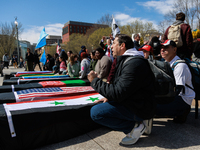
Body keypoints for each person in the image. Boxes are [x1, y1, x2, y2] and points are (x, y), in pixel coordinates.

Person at [88, 34, 155, 145]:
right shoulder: (127, 61)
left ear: (122, 46)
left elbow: (118, 93)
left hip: (140, 107)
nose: (111, 47)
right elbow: (120, 88)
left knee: (96, 113)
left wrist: (94, 81)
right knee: (101, 106)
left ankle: (135, 126)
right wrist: (108, 96)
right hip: (134, 102)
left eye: (114, 44)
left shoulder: (134, 63)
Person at [156, 40, 195, 123]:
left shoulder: (180, 66)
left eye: (166, 47)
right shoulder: (166, 63)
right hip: (173, 95)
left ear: (174, 50)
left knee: (152, 108)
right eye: (161, 47)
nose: (162, 50)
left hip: (182, 99)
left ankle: (182, 111)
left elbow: (178, 89)